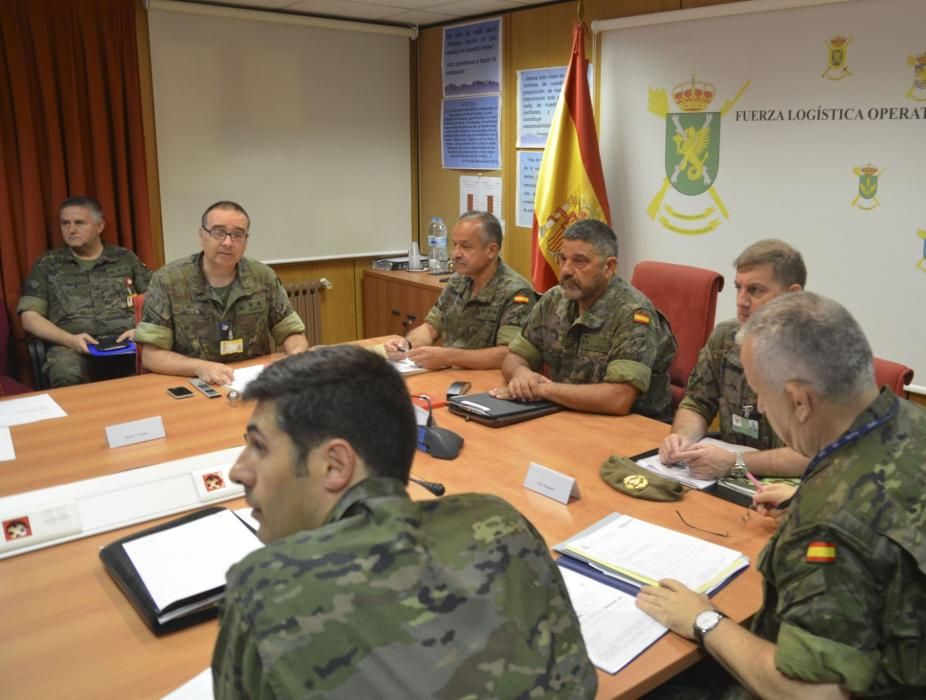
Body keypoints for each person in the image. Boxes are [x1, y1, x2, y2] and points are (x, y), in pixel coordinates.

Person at [212, 346, 597, 698]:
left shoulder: (263, 591)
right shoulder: (500, 523)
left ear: (335, 465)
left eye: (259, 446)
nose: (237, 471)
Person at [636, 292, 926, 698]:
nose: (757, 403)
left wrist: (705, 620)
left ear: (799, 400)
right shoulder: (908, 419)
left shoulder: (829, 523)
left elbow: (813, 693)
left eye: (761, 392)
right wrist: (803, 504)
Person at [659, 239, 809, 478]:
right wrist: (682, 438)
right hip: (725, 474)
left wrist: (735, 462)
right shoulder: (727, 337)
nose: (741, 301)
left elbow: (812, 457)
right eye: (738, 288)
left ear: (792, 296)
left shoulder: (819, 355)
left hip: (790, 491)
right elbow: (697, 403)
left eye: (755, 290)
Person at [497, 219, 676, 419]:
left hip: (633, 430)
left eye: (579, 261)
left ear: (608, 267)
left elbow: (618, 399)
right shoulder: (554, 299)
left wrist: (543, 390)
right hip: (567, 415)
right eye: (563, 259)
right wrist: (521, 374)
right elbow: (514, 357)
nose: (566, 270)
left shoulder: (633, 314)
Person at [135, 201, 308, 384]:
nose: (228, 242)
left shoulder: (263, 277)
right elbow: (151, 355)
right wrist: (199, 366)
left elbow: (292, 332)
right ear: (201, 236)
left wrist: (295, 355)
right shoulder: (168, 280)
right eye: (218, 232)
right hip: (191, 381)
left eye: (237, 235)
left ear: (246, 241)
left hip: (249, 381)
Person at [17, 196, 150, 387]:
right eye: (65, 223)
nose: (71, 230)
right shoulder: (48, 264)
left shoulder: (124, 258)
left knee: (159, 362)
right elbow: (29, 318)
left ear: (99, 226)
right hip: (72, 346)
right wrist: (70, 340)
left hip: (127, 343)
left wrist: (140, 331)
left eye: (79, 223)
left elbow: (156, 302)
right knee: (66, 372)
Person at [383, 211, 536, 369]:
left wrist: (447, 357)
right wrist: (406, 345)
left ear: (491, 250)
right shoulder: (458, 280)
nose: (456, 254)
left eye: (466, 246)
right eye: (455, 245)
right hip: (452, 373)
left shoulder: (517, 292)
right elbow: (430, 328)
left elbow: (508, 355)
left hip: (488, 381)